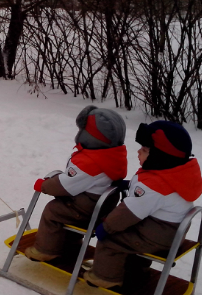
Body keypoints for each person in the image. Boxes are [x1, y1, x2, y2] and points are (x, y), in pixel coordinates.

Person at [83, 121, 202, 289]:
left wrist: (106, 227)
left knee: (112, 240)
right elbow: (154, 198)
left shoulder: (154, 185)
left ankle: (105, 277)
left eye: (145, 150)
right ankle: (135, 272)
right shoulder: (175, 173)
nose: (139, 151)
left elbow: (127, 213)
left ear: (160, 157)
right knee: (131, 236)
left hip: (156, 236)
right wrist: (130, 185)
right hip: (168, 231)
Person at [24, 105, 128, 262]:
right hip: (101, 207)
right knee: (68, 209)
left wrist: (44, 186)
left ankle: (45, 250)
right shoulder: (112, 156)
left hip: (86, 209)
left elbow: (64, 185)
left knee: (54, 211)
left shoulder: (89, 163)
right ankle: (70, 244)